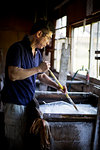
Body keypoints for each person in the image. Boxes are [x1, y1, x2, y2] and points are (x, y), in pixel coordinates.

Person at [1, 19, 67, 150]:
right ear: (39, 34)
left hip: (28, 104)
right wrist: (38, 68)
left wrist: (57, 86)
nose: (48, 43)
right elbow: (13, 74)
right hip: (15, 105)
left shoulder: (37, 53)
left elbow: (40, 75)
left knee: (25, 142)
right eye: (47, 38)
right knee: (15, 143)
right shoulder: (17, 48)